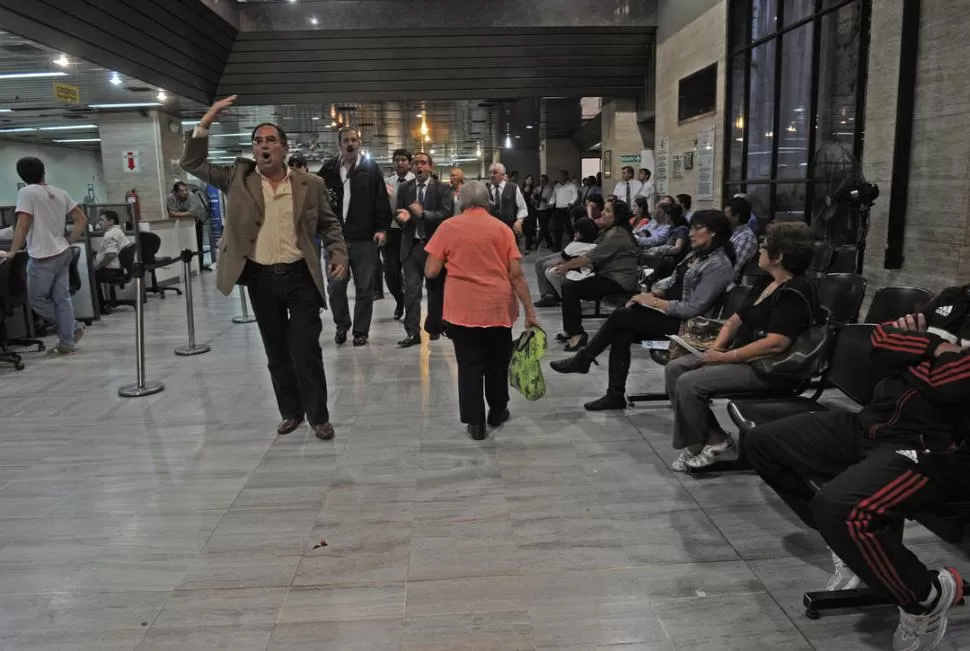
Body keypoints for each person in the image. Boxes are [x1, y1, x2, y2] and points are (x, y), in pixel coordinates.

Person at [743, 290, 970, 651]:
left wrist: (911, 347)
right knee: (761, 444)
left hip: (933, 448)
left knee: (840, 508)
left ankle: (925, 596)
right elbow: (878, 340)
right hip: (869, 424)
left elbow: (955, 385)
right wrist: (936, 348)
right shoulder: (956, 297)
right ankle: (853, 549)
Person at [181, 95, 349, 441]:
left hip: (300, 276)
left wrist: (338, 253)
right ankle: (291, 412)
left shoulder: (310, 185)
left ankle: (318, 416)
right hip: (260, 278)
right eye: (258, 141)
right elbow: (192, 161)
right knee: (276, 350)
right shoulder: (236, 179)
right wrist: (208, 118)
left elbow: (330, 225)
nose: (263, 146)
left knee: (305, 348)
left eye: (271, 140)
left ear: (285, 148)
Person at [664, 221, 816, 471]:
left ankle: (696, 444)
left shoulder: (796, 291)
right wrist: (717, 348)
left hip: (772, 368)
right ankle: (715, 439)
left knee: (689, 382)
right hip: (744, 355)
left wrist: (726, 357)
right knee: (676, 368)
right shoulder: (766, 282)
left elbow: (776, 344)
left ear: (778, 257)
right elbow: (735, 320)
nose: (759, 252)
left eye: (765, 247)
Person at [550, 210, 736, 411]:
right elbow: (673, 283)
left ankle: (584, 359)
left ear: (714, 232)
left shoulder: (718, 266)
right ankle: (614, 394)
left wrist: (654, 303)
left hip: (690, 326)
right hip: (671, 314)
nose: (690, 233)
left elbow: (693, 308)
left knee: (622, 316)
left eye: (697, 228)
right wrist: (654, 294)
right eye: (691, 228)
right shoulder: (696, 255)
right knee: (623, 330)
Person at [424, 181, 539, 440]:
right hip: (498, 308)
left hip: (461, 310)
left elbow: (431, 270)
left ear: (460, 202)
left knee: (468, 365)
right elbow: (517, 275)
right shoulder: (502, 230)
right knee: (498, 363)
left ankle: (475, 423)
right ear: (489, 202)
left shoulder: (447, 227)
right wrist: (530, 311)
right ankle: (498, 410)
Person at [0, 156, 87, 355]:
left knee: (38, 300)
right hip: (62, 251)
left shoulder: (26, 192)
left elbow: (23, 224)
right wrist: (69, 240)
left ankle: (72, 328)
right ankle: (67, 342)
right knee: (62, 298)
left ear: (21, 175)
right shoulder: (59, 192)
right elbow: (81, 219)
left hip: (43, 255)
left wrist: (13, 251)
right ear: (43, 172)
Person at [317, 127, 392, 346]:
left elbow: (381, 200)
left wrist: (381, 228)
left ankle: (360, 331)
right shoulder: (329, 169)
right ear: (339, 144)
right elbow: (318, 201)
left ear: (359, 143)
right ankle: (342, 324)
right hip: (335, 241)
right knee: (335, 287)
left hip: (364, 240)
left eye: (354, 140)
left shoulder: (371, 169)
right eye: (346, 140)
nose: (350, 144)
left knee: (364, 288)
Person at [551, 200, 640, 351]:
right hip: (607, 275)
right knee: (569, 284)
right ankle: (572, 329)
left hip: (617, 280)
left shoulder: (617, 234)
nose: (603, 214)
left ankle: (577, 334)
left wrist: (566, 266)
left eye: (607, 211)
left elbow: (591, 256)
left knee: (571, 287)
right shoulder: (610, 231)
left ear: (617, 216)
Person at [395, 151, 454, 348]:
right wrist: (402, 218)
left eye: (423, 163)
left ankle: (435, 327)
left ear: (430, 167)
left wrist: (422, 214)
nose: (419, 167)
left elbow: (446, 215)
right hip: (411, 247)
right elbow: (400, 213)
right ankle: (413, 333)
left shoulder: (442, 189)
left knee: (435, 290)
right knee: (411, 291)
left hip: (434, 248)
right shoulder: (405, 188)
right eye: (416, 163)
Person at [383, 148, 415, 320]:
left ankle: (411, 309)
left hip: (411, 233)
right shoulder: (387, 182)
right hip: (392, 233)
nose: (400, 163)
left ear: (409, 163)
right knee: (391, 274)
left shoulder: (416, 181)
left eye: (403, 160)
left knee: (411, 275)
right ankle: (399, 300)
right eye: (397, 160)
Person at [542, 216, 600, 300]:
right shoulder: (596, 246)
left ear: (579, 233)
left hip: (575, 275)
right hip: (592, 274)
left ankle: (564, 297)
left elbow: (561, 260)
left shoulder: (573, 246)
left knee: (550, 271)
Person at [93, 210, 131, 313]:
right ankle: (103, 304)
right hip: (120, 269)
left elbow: (111, 254)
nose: (99, 223)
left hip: (112, 270)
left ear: (111, 221)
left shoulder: (110, 235)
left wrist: (98, 266)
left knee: (92, 276)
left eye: (102, 220)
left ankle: (100, 308)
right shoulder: (118, 231)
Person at [486, 162, 528, 235]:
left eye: (495, 172)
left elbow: (522, 208)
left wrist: (519, 221)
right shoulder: (485, 190)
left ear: (502, 174)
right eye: (490, 172)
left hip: (509, 229)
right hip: (491, 230)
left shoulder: (513, 188)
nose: (492, 175)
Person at [724, 196, 759, 280]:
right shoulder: (733, 233)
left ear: (736, 216)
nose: (723, 217)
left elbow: (732, 269)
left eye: (726, 213)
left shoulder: (746, 237)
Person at [551, 169, 578, 251]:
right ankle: (557, 247)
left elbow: (575, 196)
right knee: (557, 229)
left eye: (562, 175)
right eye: (560, 175)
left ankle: (575, 245)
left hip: (567, 209)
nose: (561, 177)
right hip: (558, 209)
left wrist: (571, 202)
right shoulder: (557, 186)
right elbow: (553, 197)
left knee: (569, 228)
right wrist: (550, 203)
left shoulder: (571, 185)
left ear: (566, 176)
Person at [534, 173, 555, 249]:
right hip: (538, 209)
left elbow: (549, 201)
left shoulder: (549, 190)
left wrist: (541, 198)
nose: (541, 182)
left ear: (546, 181)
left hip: (545, 210)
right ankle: (550, 243)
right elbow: (534, 197)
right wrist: (535, 197)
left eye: (542, 181)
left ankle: (537, 242)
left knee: (543, 228)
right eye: (540, 180)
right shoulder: (538, 188)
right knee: (544, 228)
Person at [521, 174, 538, 251]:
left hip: (531, 211)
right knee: (524, 229)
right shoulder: (521, 190)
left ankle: (527, 247)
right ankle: (531, 242)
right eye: (528, 179)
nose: (529, 181)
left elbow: (537, 202)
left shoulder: (534, 190)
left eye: (531, 180)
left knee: (529, 229)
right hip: (523, 211)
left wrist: (533, 200)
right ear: (525, 180)